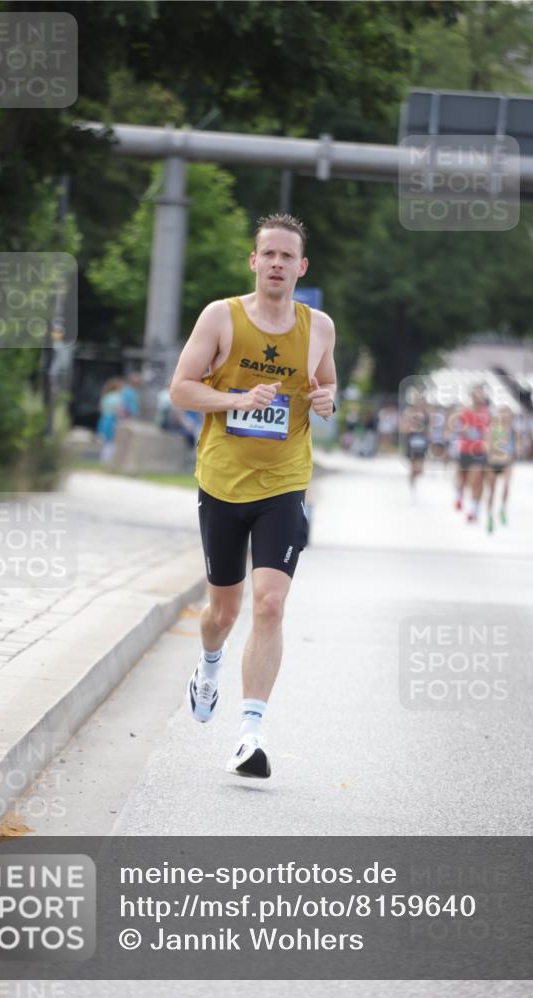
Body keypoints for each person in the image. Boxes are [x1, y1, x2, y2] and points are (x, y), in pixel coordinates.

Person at [170, 213, 336, 779]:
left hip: (285, 482)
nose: (277, 264)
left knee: (270, 603)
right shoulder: (222, 316)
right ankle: (209, 667)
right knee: (224, 610)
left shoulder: (319, 328)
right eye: (268, 254)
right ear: (254, 261)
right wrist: (234, 401)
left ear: (302, 267)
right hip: (222, 481)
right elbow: (181, 389)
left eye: (288, 257)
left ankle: (249, 734)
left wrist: (327, 402)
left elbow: (327, 385)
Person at [451, 385, 490, 522]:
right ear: (472, 395)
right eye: (477, 393)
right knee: (463, 480)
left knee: (476, 480)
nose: (479, 396)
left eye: (481, 393)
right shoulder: (464, 411)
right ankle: (459, 495)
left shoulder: (487, 412)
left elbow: (490, 430)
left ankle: (474, 509)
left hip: (479, 451)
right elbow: (458, 427)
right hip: (465, 450)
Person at [484, 405, 517, 533]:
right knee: (491, 492)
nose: (504, 416)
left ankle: (502, 509)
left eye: (506, 414)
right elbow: (487, 445)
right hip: (493, 462)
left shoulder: (512, 429)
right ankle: (490, 517)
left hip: (507, 463)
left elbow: (516, 445)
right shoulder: (493, 429)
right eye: (502, 413)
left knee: (506, 486)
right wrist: (493, 449)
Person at [400, 394, 430, 494]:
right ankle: (411, 482)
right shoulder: (409, 412)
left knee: (420, 469)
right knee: (413, 467)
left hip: (422, 444)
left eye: (423, 401)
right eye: (419, 401)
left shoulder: (427, 414)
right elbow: (403, 428)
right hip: (411, 443)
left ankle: (413, 478)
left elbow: (429, 430)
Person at [96, 377, 123, 463]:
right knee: (111, 441)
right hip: (112, 420)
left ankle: (104, 458)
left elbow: (100, 409)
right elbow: (119, 410)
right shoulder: (117, 397)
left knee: (105, 441)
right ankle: (107, 460)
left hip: (104, 419)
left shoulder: (106, 396)